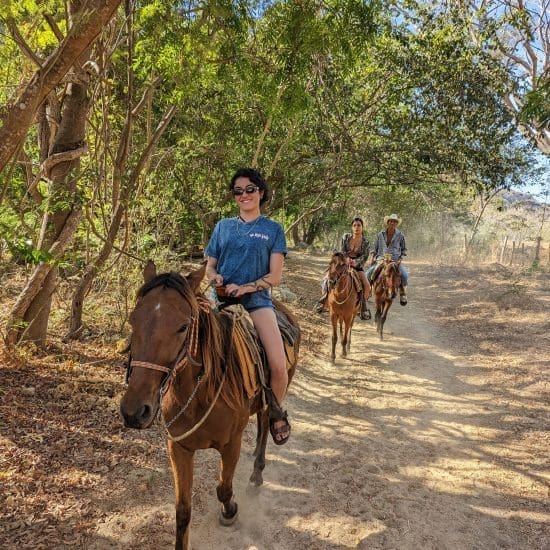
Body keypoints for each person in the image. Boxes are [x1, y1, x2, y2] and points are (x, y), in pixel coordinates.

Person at [204, 168, 291, 445]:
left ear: (261, 193)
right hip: (222, 302)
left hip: (257, 303)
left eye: (250, 189)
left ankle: (275, 412)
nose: (244, 195)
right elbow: (210, 266)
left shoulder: (273, 230)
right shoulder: (223, 227)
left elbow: (275, 276)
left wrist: (246, 288)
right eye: (238, 191)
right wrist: (216, 278)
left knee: (278, 366)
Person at [315, 217, 371, 320]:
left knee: (367, 286)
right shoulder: (346, 237)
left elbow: (365, 257)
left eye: (359, 225)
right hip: (343, 264)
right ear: (351, 227)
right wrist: (345, 259)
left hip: (357, 266)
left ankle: (362, 308)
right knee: (326, 279)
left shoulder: (366, 242)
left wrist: (355, 262)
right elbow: (341, 251)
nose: (356, 227)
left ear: (362, 227)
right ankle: (324, 302)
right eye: (354, 225)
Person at [366, 213, 408, 305]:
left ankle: (402, 293)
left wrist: (400, 259)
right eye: (391, 221)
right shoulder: (380, 235)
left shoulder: (400, 236)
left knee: (404, 275)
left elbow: (404, 250)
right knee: (369, 273)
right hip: (381, 259)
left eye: (394, 222)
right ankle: (368, 291)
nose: (392, 223)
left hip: (395, 260)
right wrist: (373, 257)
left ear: (397, 224)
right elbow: (375, 248)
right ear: (388, 222)